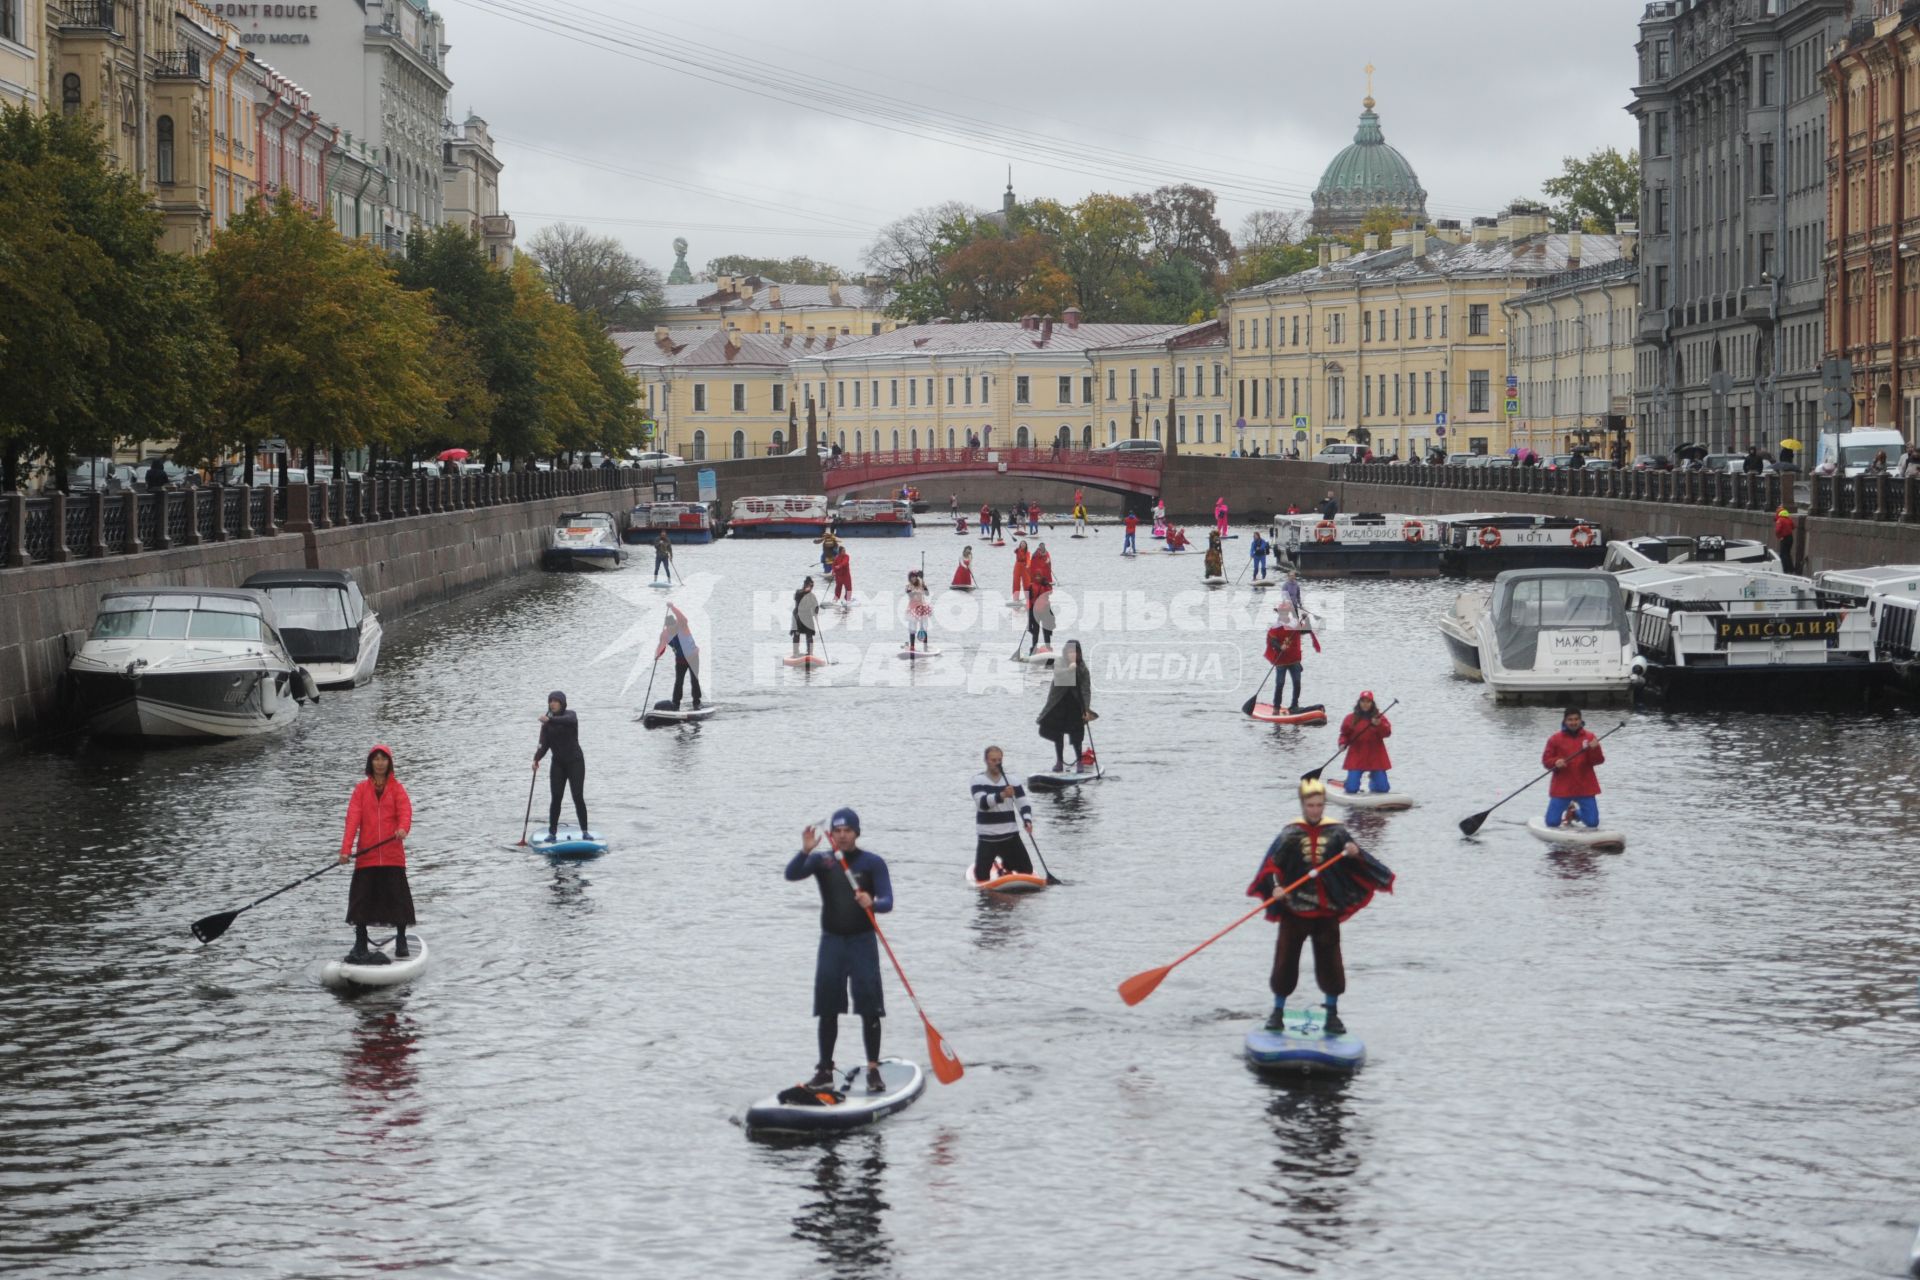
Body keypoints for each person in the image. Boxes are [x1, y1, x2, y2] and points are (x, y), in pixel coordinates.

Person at [1247, 778, 1395, 1036]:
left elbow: (1358, 859)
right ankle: (1278, 1012)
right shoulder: (1290, 833)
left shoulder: (1337, 832)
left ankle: (1332, 1013)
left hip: (1327, 910)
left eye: (1319, 805)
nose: (1315, 810)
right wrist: (1275, 888)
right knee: (1285, 960)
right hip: (1295, 909)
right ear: (1303, 805)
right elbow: (1271, 866)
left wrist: (1354, 852)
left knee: (1331, 962)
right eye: (1311, 805)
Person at [786, 810, 893, 1094]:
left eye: (848, 830)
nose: (843, 835)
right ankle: (824, 1071)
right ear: (831, 835)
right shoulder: (822, 861)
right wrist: (804, 851)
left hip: (862, 943)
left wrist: (872, 902)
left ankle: (873, 1069)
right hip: (832, 943)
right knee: (827, 1007)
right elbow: (791, 874)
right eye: (838, 831)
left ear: (857, 833)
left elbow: (887, 901)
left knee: (870, 1007)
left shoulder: (872, 863)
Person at [338, 744, 414, 964]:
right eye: (376, 759)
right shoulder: (361, 790)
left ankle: (401, 940)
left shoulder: (397, 789)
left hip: (392, 855)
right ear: (370, 763)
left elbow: (405, 812)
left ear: (389, 763)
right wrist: (346, 851)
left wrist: (403, 829)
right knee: (361, 900)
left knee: (398, 898)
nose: (380, 763)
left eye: (384, 759)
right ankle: (360, 941)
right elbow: (352, 820)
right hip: (367, 856)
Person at [970, 746, 1034, 882]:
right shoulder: (977, 780)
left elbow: (1023, 804)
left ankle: (1007, 867)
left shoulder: (1013, 781)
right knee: (981, 877)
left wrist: (1027, 820)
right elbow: (983, 803)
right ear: (986, 761)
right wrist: (1002, 795)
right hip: (988, 837)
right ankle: (999, 869)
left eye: (999, 760)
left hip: (1010, 836)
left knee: (1027, 870)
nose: (997, 763)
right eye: (993, 760)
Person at [535, 691, 589, 841]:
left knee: (577, 796)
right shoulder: (547, 723)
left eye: (556, 701)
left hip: (575, 762)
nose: (552, 703)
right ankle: (552, 833)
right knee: (556, 798)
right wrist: (536, 759)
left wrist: (549, 720)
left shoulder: (571, 715)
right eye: (550, 701)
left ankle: (585, 831)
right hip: (558, 763)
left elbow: (568, 720)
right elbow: (543, 744)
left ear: (562, 703)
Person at [1543, 707, 1605, 830]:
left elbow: (1598, 760)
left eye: (1576, 719)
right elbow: (1546, 761)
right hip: (1562, 786)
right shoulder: (1555, 739)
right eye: (1570, 719)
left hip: (1584, 786)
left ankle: (1574, 813)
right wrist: (1555, 762)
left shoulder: (1590, 737)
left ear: (1580, 720)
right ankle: (1566, 811)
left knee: (1593, 823)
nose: (1573, 722)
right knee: (1552, 822)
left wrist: (1595, 749)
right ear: (1564, 721)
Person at [1036, 639, 1092, 771]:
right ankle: (1059, 762)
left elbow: (1085, 690)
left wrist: (1086, 709)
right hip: (1059, 703)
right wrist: (1069, 669)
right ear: (1066, 653)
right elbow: (1059, 676)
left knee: (1077, 734)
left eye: (1075, 652)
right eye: (1070, 652)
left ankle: (1079, 762)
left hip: (1075, 704)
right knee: (1057, 732)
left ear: (1079, 653)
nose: (1072, 655)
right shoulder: (1059, 662)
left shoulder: (1083, 669)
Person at [1264, 600, 1318, 713]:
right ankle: (1276, 707)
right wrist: (1280, 647)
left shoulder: (1295, 624)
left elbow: (1307, 630)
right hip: (1281, 661)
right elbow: (1272, 641)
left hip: (1294, 660)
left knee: (1297, 683)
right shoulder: (1274, 628)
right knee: (1280, 684)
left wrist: (1306, 618)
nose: (1283, 614)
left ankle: (1294, 706)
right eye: (1281, 612)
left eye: (1285, 611)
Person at [1337, 692, 1392, 795]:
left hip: (1375, 757)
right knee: (1351, 790)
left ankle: (1373, 781)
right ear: (1359, 703)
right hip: (1356, 756)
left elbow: (1387, 733)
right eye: (1363, 701)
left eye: (1368, 701)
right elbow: (1344, 734)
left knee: (1383, 789)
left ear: (1372, 703)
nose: (1365, 704)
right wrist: (1342, 744)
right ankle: (1348, 783)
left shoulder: (1379, 718)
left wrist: (1379, 725)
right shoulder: (1350, 718)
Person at [658, 605, 702, 711]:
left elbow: (682, 617)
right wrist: (657, 655)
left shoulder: (682, 625)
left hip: (693, 657)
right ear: (666, 627)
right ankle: (675, 704)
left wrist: (672, 607)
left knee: (694, 680)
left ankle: (697, 703)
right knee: (678, 682)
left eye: (672, 626)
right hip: (680, 661)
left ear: (675, 623)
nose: (670, 629)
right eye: (668, 627)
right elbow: (661, 647)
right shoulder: (665, 634)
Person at [1026, 542, 1056, 652]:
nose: (1038, 577)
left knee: (1046, 630)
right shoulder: (1031, 586)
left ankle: (1048, 647)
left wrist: (1046, 583)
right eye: (1036, 576)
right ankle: (1034, 647)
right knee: (1036, 631)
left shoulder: (1045, 586)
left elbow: (1049, 593)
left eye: (1039, 576)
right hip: (1035, 611)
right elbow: (1029, 601)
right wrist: (1029, 616)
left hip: (1044, 610)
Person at [791, 576, 819, 658]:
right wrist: (804, 591)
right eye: (809, 586)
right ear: (805, 585)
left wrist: (816, 612)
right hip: (797, 617)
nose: (810, 588)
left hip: (808, 617)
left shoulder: (812, 596)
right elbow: (796, 597)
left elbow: (816, 606)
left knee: (809, 634)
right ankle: (795, 652)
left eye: (811, 587)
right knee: (796, 634)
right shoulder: (798, 592)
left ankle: (810, 652)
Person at [904, 569, 932, 651]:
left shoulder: (921, 584)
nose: (913, 579)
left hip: (922, 608)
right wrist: (912, 591)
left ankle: (925, 645)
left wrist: (925, 587)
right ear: (909, 578)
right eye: (911, 577)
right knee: (912, 628)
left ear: (917, 577)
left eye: (915, 577)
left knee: (924, 627)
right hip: (913, 609)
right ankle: (912, 646)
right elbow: (909, 594)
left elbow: (927, 594)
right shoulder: (908, 586)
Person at [1774, 506, 1797, 575]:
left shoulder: (1780, 520)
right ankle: (1791, 569)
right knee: (1788, 554)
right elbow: (1793, 526)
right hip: (1790, 538)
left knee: (1783, 554)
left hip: (1784, 538)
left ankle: (1785, 570)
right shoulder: (1789, 519)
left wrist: (1779, 537)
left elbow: (1777, 530)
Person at [1011, 537, 1031, 604]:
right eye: (1021, 544)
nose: (1023, 545)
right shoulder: (1018, 550)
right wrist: (1017, 548)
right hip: (1017, 566)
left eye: (1024, 544)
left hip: (1025, 567)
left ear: (1026, 546)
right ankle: (1016, 599)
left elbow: (1028, 559)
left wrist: (1028, 565)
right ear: (1020, 545)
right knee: (1016, 582)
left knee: (1027, 583)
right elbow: (1014, 551)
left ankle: (1028, 598)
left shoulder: (1027, 553)